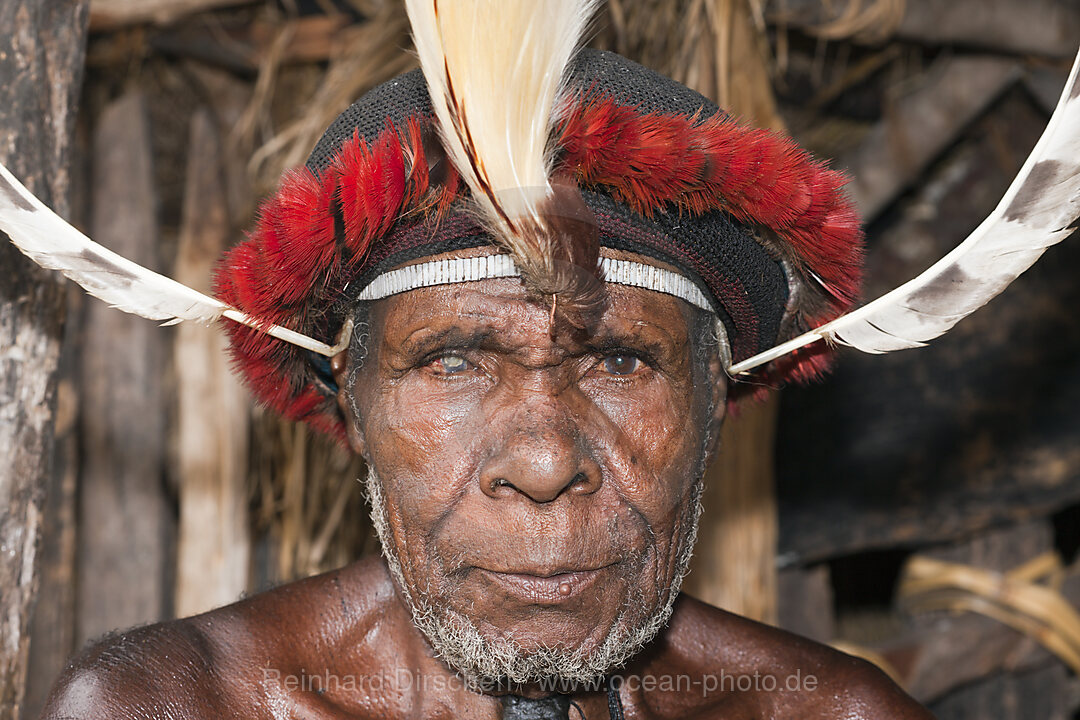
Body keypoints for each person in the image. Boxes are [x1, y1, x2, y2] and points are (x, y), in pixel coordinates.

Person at [36, 3, 933, 718]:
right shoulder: (177, 709)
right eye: (453, 363)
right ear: (352, 400)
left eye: (620, 363)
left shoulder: (835, 713)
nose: (544, 464)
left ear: (714, 398)